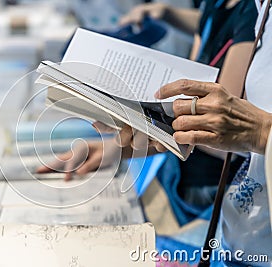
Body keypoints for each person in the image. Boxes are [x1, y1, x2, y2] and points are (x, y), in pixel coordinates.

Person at [37, 0, 258, 220]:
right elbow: (189, 93)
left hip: (209, 185)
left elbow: (215, 130)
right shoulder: (217, 5)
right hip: (181, 171)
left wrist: (119, 146)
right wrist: (115, 147)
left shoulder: (253, 13)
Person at [111, 0, 272, 264]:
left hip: (209, 188)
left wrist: (261, 131)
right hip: (240, 233)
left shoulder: (248, 12)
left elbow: (223, 131)